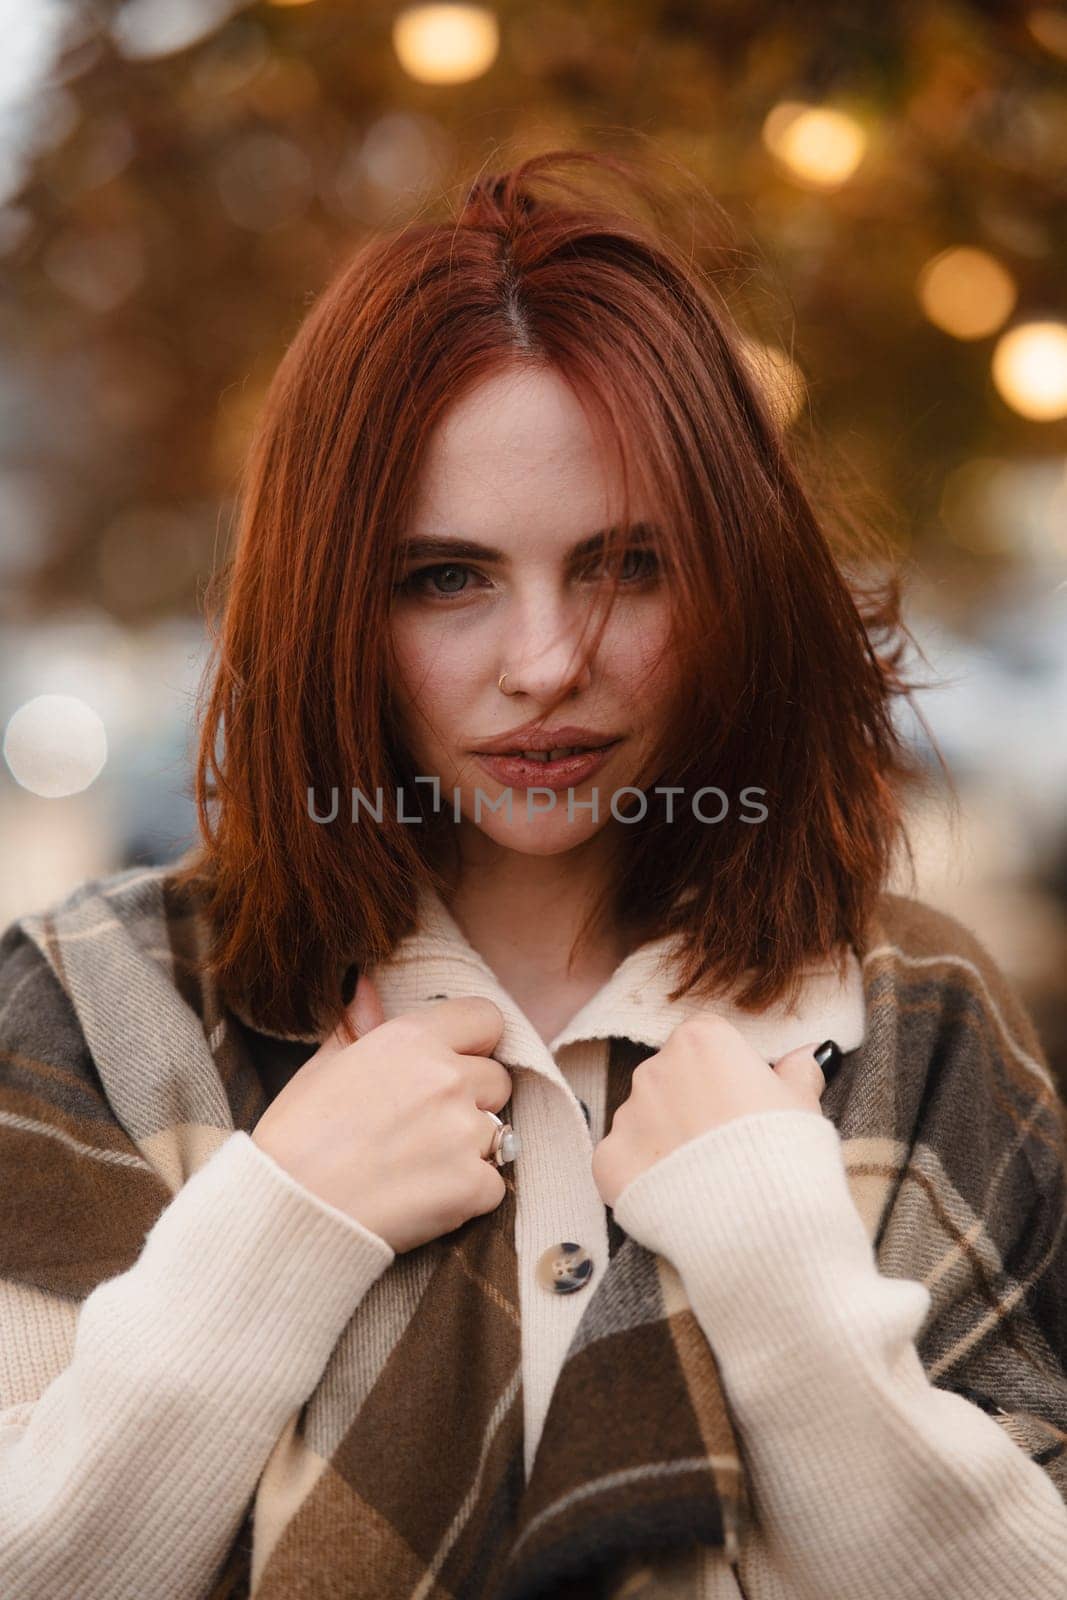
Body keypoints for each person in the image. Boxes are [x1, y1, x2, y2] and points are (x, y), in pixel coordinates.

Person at [1, 150, 1065, 1600]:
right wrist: (276, 1230)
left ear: (734, 582)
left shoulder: (910, 1013)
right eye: (447, 578)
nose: (547, 662)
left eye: (626, 564)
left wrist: (778, 1262)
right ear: (335, 609)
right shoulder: (102, 1008)